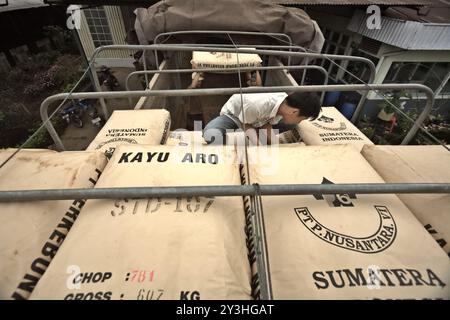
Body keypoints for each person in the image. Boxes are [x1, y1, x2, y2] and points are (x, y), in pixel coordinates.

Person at [203, 91, 321, 145]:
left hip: (258, 119)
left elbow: (267, 125)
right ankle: (229, 153)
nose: (300, 121)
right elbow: (246, 125)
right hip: (236, 116)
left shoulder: (283, 105)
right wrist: (259, 146)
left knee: (293, 125)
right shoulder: (256, 105)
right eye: (301, 118)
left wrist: (276, 147)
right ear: (294, 111)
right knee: (210, 134)